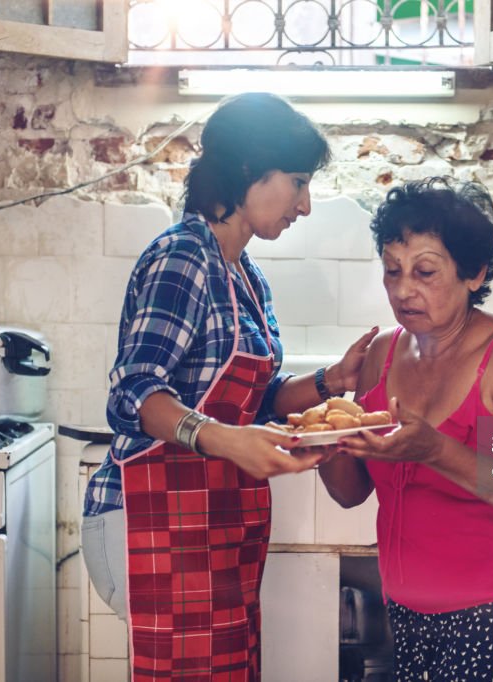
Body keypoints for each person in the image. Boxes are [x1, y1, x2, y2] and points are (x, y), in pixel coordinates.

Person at [80, 92, 377, 682]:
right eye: (296, 182)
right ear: (247, 171)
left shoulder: (246, 273)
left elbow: (257, 397)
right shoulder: (181, 257)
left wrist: (328, 384)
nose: (306, 204)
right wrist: (223, 440)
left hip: (215, 523)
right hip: (153, 520)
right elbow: (132, 393)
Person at [319, 177, 493, 681]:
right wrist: (325, 444)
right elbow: (350, 493)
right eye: (392, 271)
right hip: (409, 609)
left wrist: (434, 449)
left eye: (425, 272)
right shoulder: (380, 354)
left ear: (474, 273)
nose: (402, 289)